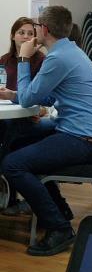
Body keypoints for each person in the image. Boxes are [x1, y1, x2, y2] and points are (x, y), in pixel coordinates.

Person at [1, 6, 92, 256]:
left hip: (83, 140)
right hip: (81, 131)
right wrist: (14, 95)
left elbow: (30, 100)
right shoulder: (69, 52)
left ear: (44, 29)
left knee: (13, 164)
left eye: (36, 26)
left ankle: (59, 228)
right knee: (17, 143)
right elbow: (46, 97)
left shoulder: (58, 58)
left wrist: (25, 58)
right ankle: (58, 209)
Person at [0, 17, 47, 216]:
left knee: (8, 130)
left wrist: (40, 108)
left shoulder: (42, 61)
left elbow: (43, 98)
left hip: (31, 118)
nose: (26, 36)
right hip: (8, 115)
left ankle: (7, 190)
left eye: (30, 33)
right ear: (13, 35)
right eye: (21, 32)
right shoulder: (4, 60)